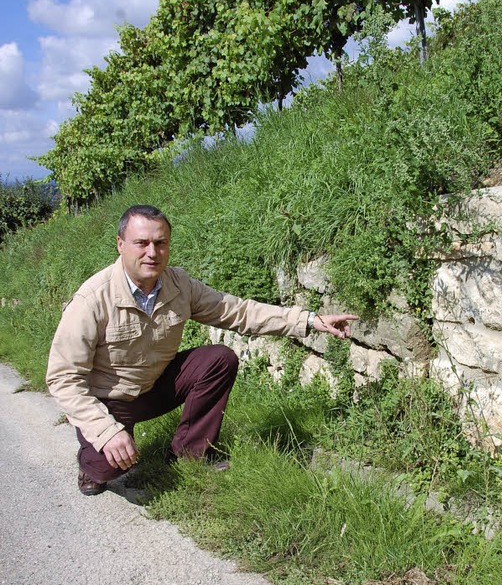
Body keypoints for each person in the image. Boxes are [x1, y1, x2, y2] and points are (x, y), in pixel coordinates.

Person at [46, 204, 357, 496]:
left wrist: (311, 320)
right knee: (108, 468)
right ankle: (92, 465)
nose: (152, 252)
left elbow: (239, 312)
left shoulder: (179, 285)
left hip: (155, 387)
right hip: (111, 399)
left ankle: (189, 455)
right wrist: (105, 431)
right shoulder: (92, 300)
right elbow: (62, 378)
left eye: (161, 242)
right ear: (120, 245)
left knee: (218, 359)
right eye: (141, 243)